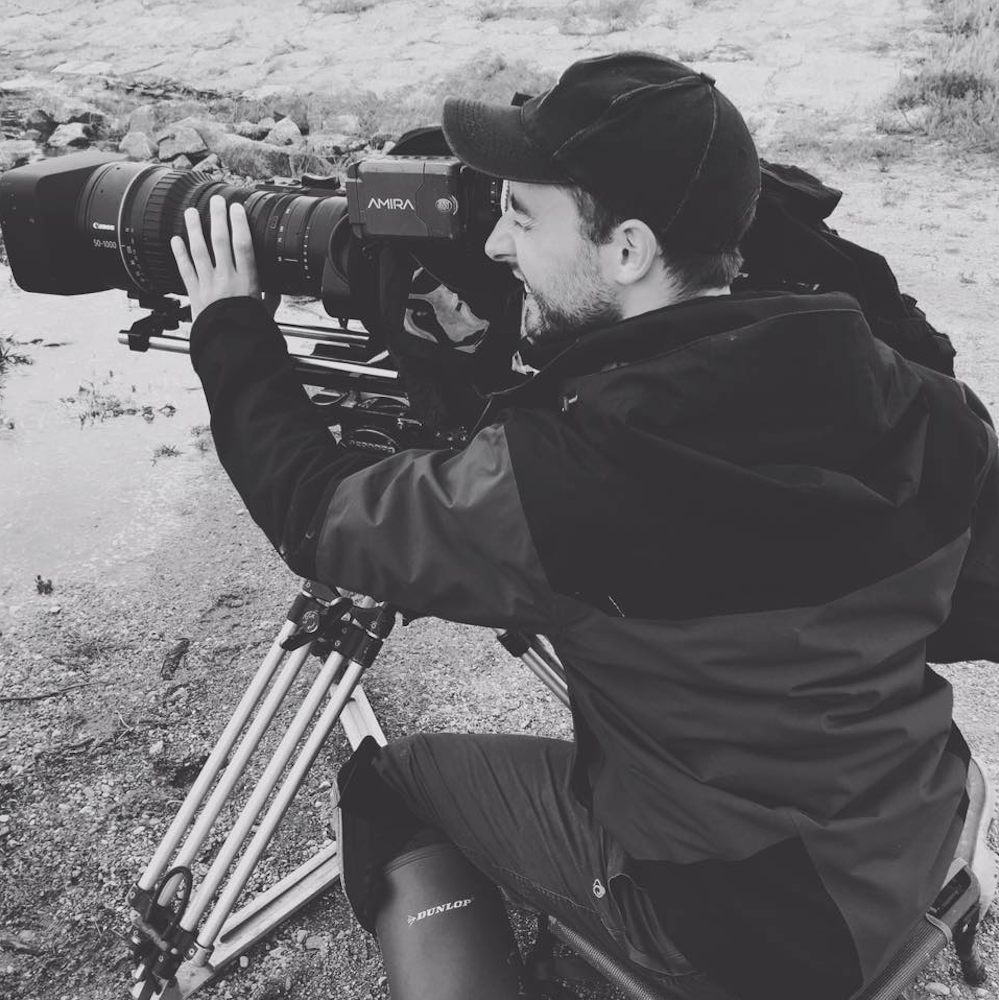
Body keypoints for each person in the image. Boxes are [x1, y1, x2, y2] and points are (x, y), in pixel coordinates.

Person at [170, 52, 999, 1000]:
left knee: (392, 787)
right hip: (914, 829)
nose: (494, 245)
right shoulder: (924, 407)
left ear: (629, 250)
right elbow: (975, 608)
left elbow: (316, 516)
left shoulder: (564, 477)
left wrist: (228, 323)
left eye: (522, 217)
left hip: (743, 927)